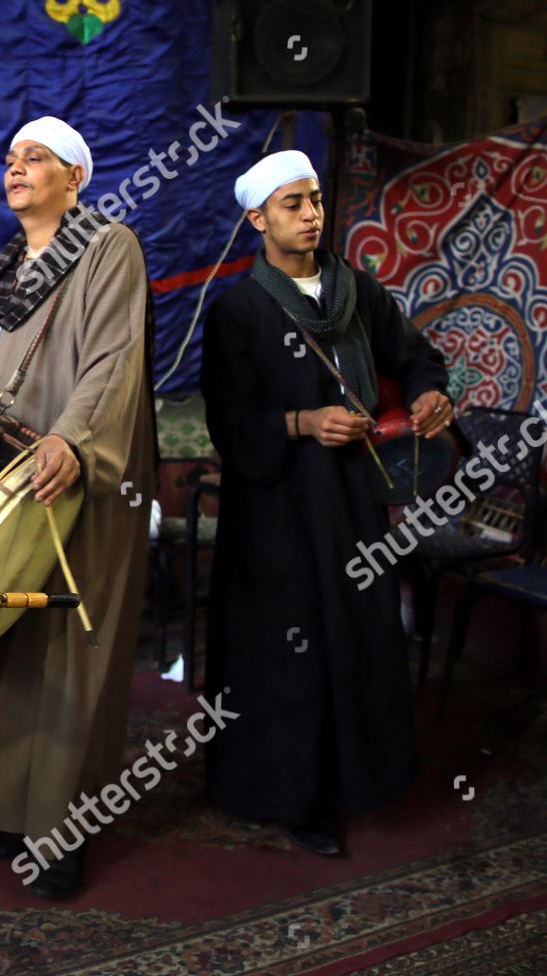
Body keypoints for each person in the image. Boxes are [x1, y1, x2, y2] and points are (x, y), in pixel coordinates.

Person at [200, 150, 450, 856]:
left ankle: (362, 777)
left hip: (352, 502)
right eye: (292, 204)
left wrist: (430, 389)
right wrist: (304, 423)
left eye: (313, 200)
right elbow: (232, 425)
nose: (310, 214)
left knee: (359, 635)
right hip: (277, 511)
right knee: (289, 651)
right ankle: (292, 796)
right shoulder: (238, 312)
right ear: (257, 219)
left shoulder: (356, 291)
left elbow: (416, 354)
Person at [0, 117, 156, 899]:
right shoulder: (7, 266)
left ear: (76, 177)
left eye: (34, 157)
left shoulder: (109, 247)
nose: (15, 167)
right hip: (6, 485)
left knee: (71, 650)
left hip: (77, 477)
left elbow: (112, 359)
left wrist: (73, 442)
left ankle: (59, 827)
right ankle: (0, 810)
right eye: (9, 158)